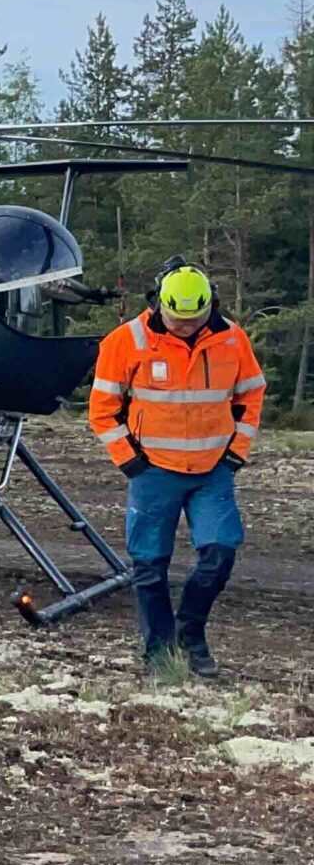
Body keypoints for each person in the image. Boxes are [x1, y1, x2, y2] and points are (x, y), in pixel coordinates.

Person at [87, 260, 266, 675]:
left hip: (212, 470)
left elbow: (251, 396)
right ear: (159, 304)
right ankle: (159, 652)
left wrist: (237, 452)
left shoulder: (232, 339)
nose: (186, 326)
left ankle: (191, 632)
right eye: (177, 319)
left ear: (210, 306)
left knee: (220, 553)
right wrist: (129, 460)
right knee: (149, 567)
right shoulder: (126, 340)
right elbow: (102, 410)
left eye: (195, 319)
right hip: (152, 471)